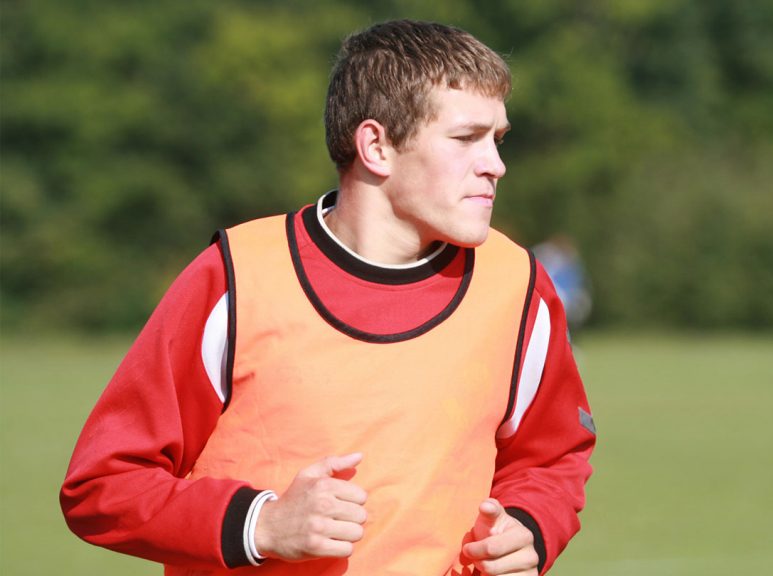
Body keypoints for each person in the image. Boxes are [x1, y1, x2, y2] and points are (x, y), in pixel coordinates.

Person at [60, 20, 595, 576]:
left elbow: (553, 457)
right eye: (466, 138)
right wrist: (261, 524)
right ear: (376, 147)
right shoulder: (237, 276)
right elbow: (102, 485)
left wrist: (529, 526)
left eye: (498, 139)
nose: (495, 164)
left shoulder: (518, 284)